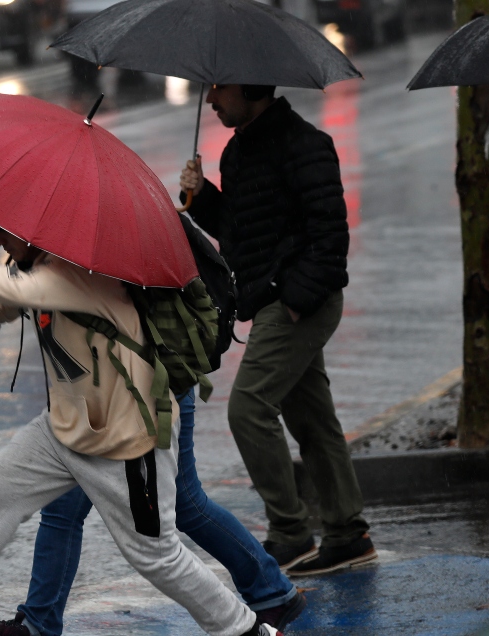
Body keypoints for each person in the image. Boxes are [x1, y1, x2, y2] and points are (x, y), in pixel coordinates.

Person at [0, 217, 283, 636]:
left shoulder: (77, 272)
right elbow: (18, 291)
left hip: (126, 437)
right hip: (67, 427)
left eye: (1, 231)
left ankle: (245, 630)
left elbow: (14, 287)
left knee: (157, 555)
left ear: (31, 230)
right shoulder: (46, 263)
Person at [179, 84, 373, 577]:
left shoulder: (305, 144)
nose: (214, 98)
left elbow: (331, 235)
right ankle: (347, 534)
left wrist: (295, 301)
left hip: (296, 302)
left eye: (221, 88)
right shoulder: (239, 150)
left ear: (253, 86)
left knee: (248, 408)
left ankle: (290, 533)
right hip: (273, 297)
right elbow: (241, 232)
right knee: (312, 418)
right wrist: (202, 199)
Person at [0, 391, 304, 636]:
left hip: (143, 392)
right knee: (63, 509)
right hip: (101, 393)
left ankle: (266, 595)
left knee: (182, 511)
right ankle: (38, 623)